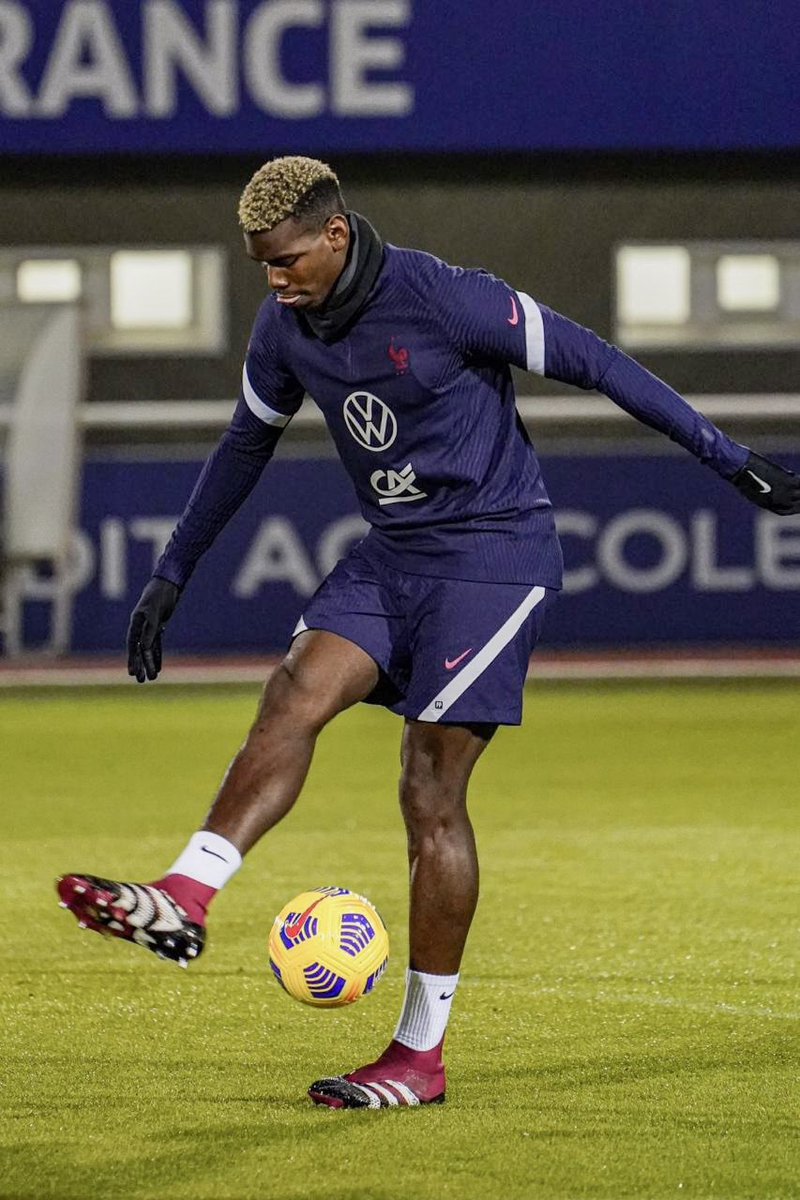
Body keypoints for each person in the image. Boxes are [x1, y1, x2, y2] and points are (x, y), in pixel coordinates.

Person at [57, 156, 800, 1110]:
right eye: (259, 267)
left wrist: (733, 462)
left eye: (285, 261)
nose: (274, 281)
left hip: (495, 557)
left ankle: (418, 1057)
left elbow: (602, 364)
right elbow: (244, 445)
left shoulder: (449, 299)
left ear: (334, 235)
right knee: (293, 691)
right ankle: (186, 894)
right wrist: (170, 575)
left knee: (428, 786)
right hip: (393, 553)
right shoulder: (285, 326)